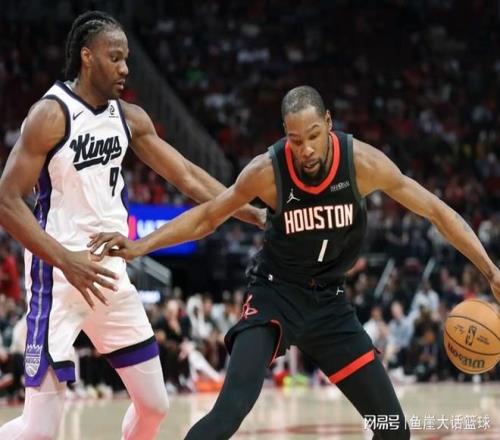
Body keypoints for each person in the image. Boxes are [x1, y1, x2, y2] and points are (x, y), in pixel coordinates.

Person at [89, 85, 500, 439]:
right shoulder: (267, 171)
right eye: (295, 139)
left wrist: (491, 270)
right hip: (275, 294)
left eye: (314, 136)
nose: (305, 149)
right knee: (229, 412)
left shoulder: (362, 164)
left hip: (330, 304)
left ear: (329, 122)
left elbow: (436, 211)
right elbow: (208, 216)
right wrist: (141, 245)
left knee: (393, 428)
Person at [0, 10, 262, 440]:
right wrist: (66, 260)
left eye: (126, 59)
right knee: (39, 430)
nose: (125, 68)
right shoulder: (51, 114)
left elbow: (187, 175)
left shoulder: (129, 118)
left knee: (154, 406)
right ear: (87, 57)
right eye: (115, 57)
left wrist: (249, 210)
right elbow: (7, 201)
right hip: (58, 276)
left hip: (110, 275)